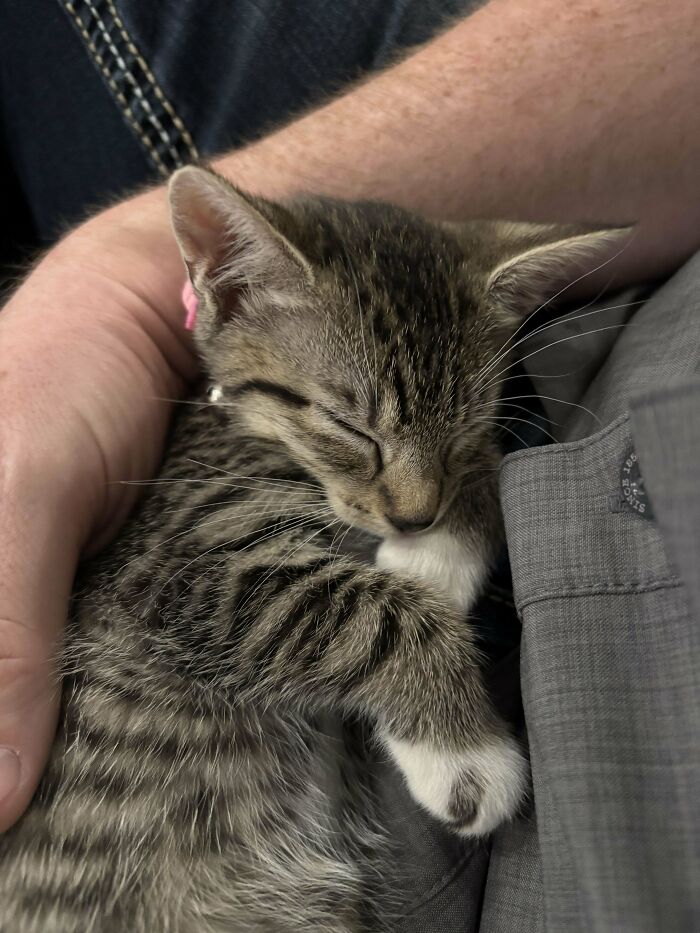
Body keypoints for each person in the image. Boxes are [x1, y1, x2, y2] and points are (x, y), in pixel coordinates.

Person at [1, 0, 698, 929]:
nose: (413, 500)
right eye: (353, 434)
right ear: (231, 291)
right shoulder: (219, 443)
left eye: (452, 443)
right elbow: (203, 604)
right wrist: (414, 654)